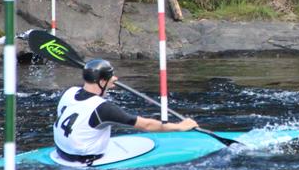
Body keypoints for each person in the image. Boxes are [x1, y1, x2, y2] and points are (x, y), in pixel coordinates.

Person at [54, 58, 198, 164]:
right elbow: (146, 125)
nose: (115, 79)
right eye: (111, 76)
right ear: (102, 82)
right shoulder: (103, 108)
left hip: (61, 152)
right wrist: (179, 126)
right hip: (83, 159)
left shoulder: (69, 92)